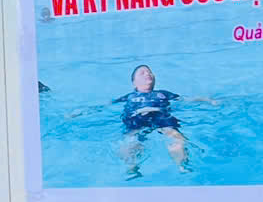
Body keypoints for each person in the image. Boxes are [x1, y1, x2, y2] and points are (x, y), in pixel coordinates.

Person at [80, 63, 210, 176]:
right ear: (134, 82)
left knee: (177, 139)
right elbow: (102, 107)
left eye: (150, 72)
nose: (148, 74)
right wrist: (79, 113)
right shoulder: (129, 96)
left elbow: (186, 99)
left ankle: (182, 166)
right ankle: (132, 169)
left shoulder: (164, 93)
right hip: (137, 119)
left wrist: (208, 100)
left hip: (161, 117)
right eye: (142, 73)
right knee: (130, 142)